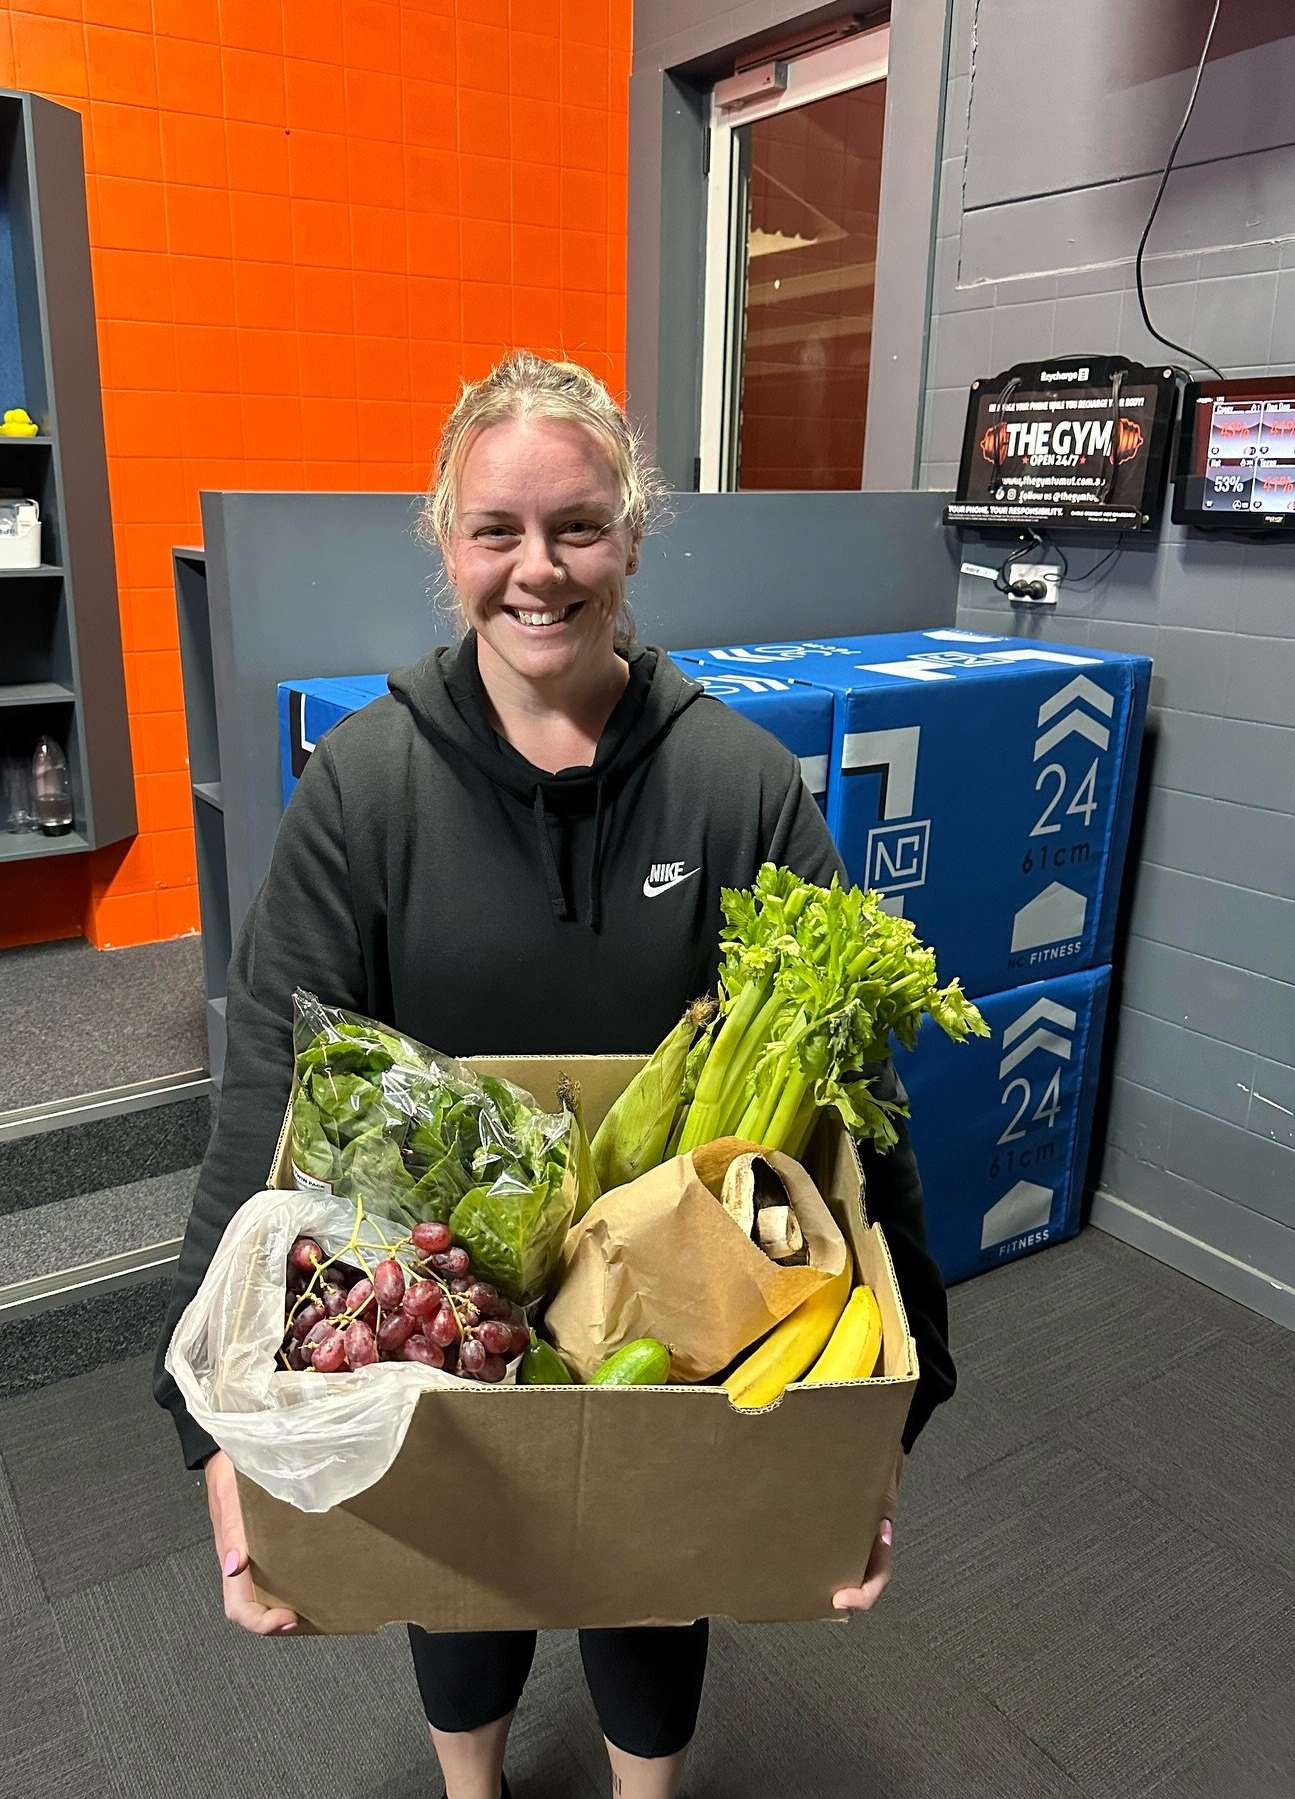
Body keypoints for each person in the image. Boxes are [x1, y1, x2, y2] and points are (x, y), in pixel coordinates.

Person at [153, 351, 956, 1799]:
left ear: (634, 535)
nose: (539, 571)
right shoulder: (368, 785)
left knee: (656, 1579)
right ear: (444, 544)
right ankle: (477, 1789)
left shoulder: (736, 785)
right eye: (497, 532)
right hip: (437, 1300)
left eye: (578, 527)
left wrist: (891, 1413)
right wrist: (203, 1428)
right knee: (458, 1576)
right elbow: (263, 1097)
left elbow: (855, 1109)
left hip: (682, 1306)